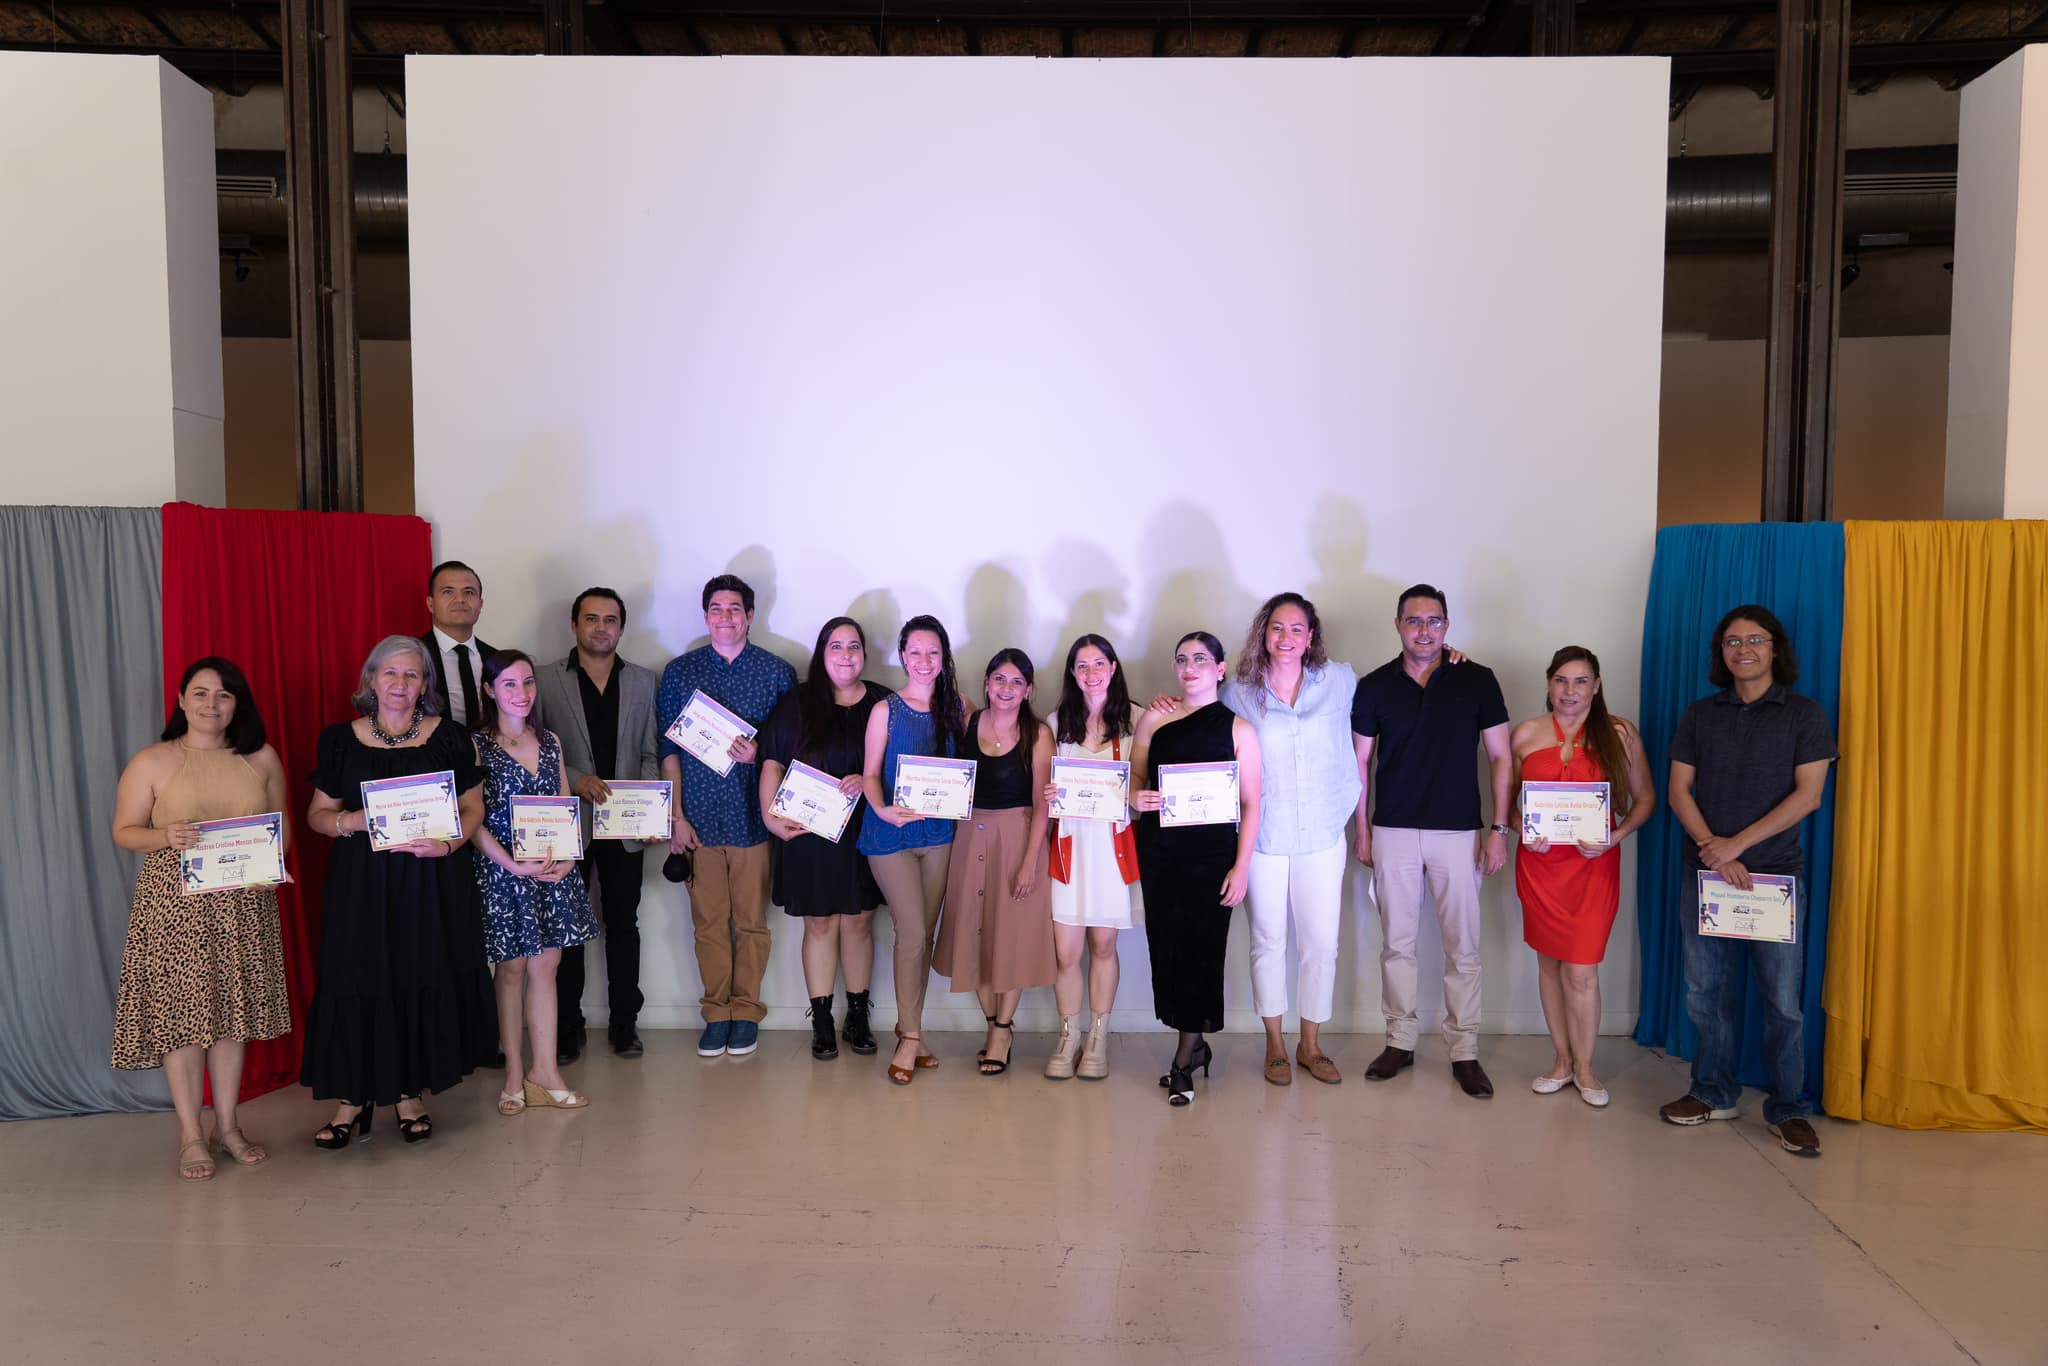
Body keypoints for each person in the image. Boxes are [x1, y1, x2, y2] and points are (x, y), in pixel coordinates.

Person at [301, 635, 494, 1148]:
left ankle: (409, 1092)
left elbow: (473, 807)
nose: (400, 683)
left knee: (417, 972)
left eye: (412, 674)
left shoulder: (450, 737)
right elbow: (317, 815)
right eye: (390, 672)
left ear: (425, 684)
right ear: (371, 679)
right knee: (357, 976)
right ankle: (352, 1098)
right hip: (360, 883)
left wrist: (449, 844)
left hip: (429, 879)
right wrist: (351, 822)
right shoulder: (339, 740)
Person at [1661, 605, 1835, 1157]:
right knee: (1706, 993)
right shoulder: (1700, 714)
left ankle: (1788, 1108)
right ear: (1722, 653)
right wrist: (1715, 852)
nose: (1744, 650)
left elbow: (1809, 796)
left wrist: (1736, 845)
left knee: (1782, 1001)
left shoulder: (1805, 715)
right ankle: (1713, 1092)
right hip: (1707, 876)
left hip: (1775, 877)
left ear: (1775, 648)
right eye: (1733, 642)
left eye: (1755, 640)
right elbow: (1678, 792)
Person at [109, 657, 293, 1181]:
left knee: (232, 1018)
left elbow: (279, 832)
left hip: (243, 904)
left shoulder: (261, 758)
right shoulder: (153, 760)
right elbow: (124, 831)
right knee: (183, 1021)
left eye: (224, 695)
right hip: (174, 907)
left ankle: (228, 1127)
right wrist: (164, 836)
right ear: (182, 701)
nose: (212, 704)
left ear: (237, 705)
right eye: (201, 693)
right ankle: (191, 1133)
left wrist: (270, 865)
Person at [1351, 584, 1512, 1099]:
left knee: (1463, 947)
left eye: (1434, 621)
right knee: (1396, 945)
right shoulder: (1374, 686)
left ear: (1447, 625)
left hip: (1458, 831)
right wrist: (1363, 830)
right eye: (1414, 621)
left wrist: (1499, 830)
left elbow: (1501, 757)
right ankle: (1399, 1041)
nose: (1425, 630)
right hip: (1392, 830)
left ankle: (1464, 1050)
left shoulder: (1477, 679)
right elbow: (1360, 764)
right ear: (1398, 624)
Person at [1216, 593, 1360, 1088]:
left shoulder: (1339, 681)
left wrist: (1450, 657)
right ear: (1264, 633)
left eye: (1297, 629)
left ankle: (1311, 1045)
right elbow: (1200, 720)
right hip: (1264, 837)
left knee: (1321, 944)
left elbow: (1398, 680)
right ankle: (1275, 1044)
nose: (1286, 638)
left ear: (1311, 636)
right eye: (1277, 628)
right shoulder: (1237, 694)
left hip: (1322, 833)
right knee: (1268, 942)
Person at [657, 574, 797, 1059]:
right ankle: (717, 1014)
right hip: (698, 821)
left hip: (753, 820)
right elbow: (668, 752)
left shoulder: (777, 673)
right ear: (705, 615)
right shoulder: (680, 672)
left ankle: (747, 1012)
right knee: (709, 925)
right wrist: (676, 817)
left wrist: (760, 754)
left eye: (735, 608)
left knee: (752, 924)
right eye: (716, 608)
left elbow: (792, 751)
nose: (725, 617)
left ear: (750, 615)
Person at [1511, 646, 1656, 1107]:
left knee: (1581, 970)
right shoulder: (1525, 733)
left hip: (1593, 867)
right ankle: (1561, 1062)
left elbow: (1646, 799)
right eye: (1561, 680)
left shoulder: (1620, 733)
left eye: (1580, 681)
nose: (1569, 690)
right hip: (1539, 867)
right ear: (1549, 683)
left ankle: (1587, 1068)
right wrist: (1523, 830)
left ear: (1596, 686)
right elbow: (1510, 806)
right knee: (1550, 965)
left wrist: (1616, 836)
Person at [1130, 632, 1261, 1106]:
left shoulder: (1239, 729)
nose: (1189, 667)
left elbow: (1252, 803)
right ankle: (1197, 1046)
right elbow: (1136, 777)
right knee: (1168, 950)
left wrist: (1241, 867)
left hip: (1212, 858)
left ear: (1220, 669)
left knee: (1201, 953)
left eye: (1200, 659)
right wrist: (1136, 797)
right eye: (1182, 659)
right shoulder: (1154, 718)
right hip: (1161, 852)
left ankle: (1184, 1060)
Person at [535, 587, 661, 1061]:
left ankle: (625, 1023)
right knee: (568, 930)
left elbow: (649, 752)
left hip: (625, 828)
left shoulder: (644, 681)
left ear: (621, 628)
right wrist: (575, 779)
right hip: (567, 825)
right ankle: (568, 1026)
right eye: (591, 619)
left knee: (623, 924)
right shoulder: (544, 679)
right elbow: (534, 750)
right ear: (574, 625)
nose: (601, 628)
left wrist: (648, 810)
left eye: (610, 620)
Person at [758, 618, 890, 1061]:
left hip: (864, 831)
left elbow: (900, 764)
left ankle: (858, 1017)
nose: (846, 655)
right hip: (810, 833)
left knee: (859, 922)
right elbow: (772, 762)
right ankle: (821, 1021)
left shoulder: (881, 702)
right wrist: (770, 816)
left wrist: (867, 780)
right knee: (819, 925)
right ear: (822, 653)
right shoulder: (798, 702)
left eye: (854, 646)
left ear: (864, 654)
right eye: (836, 646)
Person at [471, 649, 594, 1115]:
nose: (521, 692)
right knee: (511, 970)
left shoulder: (550, 741)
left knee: (547, 967)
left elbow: (563, 805)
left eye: (527, 682)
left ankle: (545, 1072)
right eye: (509, 684)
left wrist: (568, 856)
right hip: (504, 873)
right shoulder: (476, 745)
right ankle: (513, 1074)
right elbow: (471, 820)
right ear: (489, 690)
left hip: (551, 872)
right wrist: (512, 865)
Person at [931, 648, 1055, 1076]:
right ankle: (992, 1024)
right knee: (974, 932)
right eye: (999, 679)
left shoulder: (1039, 734)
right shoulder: (967, 720)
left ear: (1029, 690)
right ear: (986, 683)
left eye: (1016, 682)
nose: (1007, 688)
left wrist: (1029, 862)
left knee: (1011, 936)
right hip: (969, 837)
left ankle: (1003, 1031)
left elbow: (1042, 803)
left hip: (1018, 838)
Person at [859, 614, 969, 1085]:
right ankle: (908, 1037)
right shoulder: (885, 710)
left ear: (944, 658)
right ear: (903, 655)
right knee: (911, 934)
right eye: (916, 652)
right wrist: (883, 810)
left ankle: (912, 1029)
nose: (924, 661)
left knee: (924, 935)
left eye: (933, 652)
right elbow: (869, 774)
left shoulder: (959, 706)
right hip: (890, 837)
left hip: (940, 836)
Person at [1042, 634, 1142, 1081]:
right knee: (1066, 953)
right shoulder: (1054, 723)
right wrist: (1048, 794)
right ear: (1072, 673)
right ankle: (1069, 1036)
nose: (1091, 673)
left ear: (1113, 667)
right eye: (1081, 665)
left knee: (1103, 946)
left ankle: (1098, 1037)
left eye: (1099, 663)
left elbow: (1144, 784)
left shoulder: (1137, 720)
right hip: (1069, 849)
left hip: (1111, 851)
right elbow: (1040, 789)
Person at [417, 560, 494, 730]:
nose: (460, 599)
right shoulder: (412, 657)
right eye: (448, 591)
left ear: (480, 604)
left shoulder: (496, 659)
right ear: (430, 604)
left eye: (469, 592)